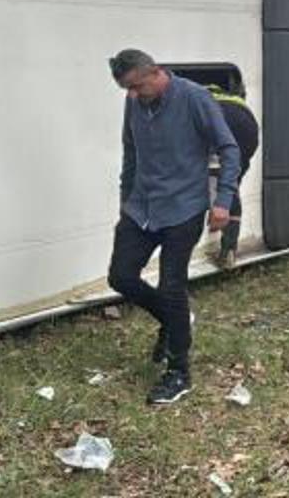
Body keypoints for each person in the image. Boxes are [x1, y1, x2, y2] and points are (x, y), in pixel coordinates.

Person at [108, 49, 241, 404]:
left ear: (155, 73)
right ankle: (174, 320)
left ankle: (179, 372)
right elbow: (130, 150)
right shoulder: (134, 101)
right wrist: (126, 197)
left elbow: (229, 149)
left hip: (183, 208)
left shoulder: (194, 99)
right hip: (141, 207)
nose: (133, 96)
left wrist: (223, 200)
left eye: (137, 87)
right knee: (120, 276)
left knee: (171, 286)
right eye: (126, 90)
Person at [206, 83, 260, 270]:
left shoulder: (193, 95)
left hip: (222, 121)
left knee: (210, 176)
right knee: (231, 182)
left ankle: (215, 213)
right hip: (247, 123)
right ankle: (229, 249)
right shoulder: (228, 94)